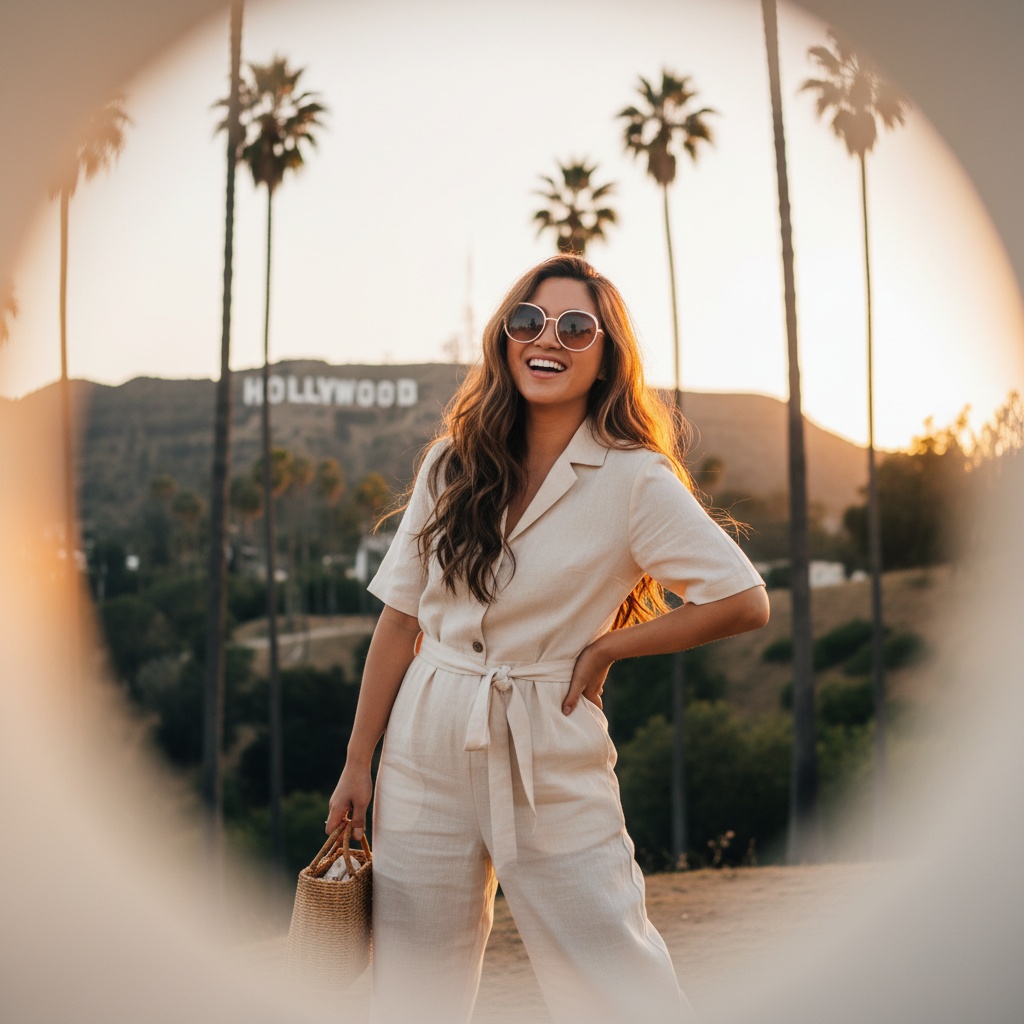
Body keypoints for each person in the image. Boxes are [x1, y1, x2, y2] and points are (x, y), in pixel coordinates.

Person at [326, 254, 769, 1024]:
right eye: (528, 321)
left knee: (618, 979)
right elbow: (400, 622)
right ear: (504, 340)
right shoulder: (451, 463)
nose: (549, 339)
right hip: (424, 739)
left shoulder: (634, 479)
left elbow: (743, 598)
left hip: (547, 736)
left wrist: (606, 650)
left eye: (576, 327)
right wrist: (357, 763)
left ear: (605, 359)